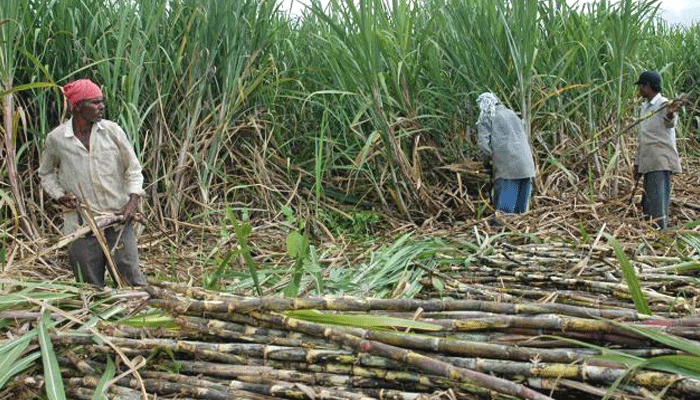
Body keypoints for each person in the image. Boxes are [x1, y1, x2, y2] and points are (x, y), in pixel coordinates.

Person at [39, 78, 147, 287]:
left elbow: (134, 169)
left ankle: (134, 316)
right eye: (95, 103)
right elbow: (46, 174)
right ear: (78, 107)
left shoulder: (112, 132)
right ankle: (97, 318)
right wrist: (61, 195)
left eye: (101, 102)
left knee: (131, 281)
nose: (101, 107)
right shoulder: (57, 139)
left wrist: (133, 200)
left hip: (117, 219)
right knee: (90, 286)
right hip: (82, 224)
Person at [633, 70, 682, 230]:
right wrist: (637, 163)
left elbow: (670, 121)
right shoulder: (645, 107)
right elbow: (643, 138)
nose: (639, 89)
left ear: (647, 86)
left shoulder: (664, 104)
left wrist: (670, 114)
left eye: (641, 86)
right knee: (648, 202)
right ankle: (651, 233)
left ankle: (660, 235)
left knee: (657, 203)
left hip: (660, 160)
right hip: (648, 161)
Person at [476, 92, 536, 218]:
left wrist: (487, 163)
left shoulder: (487, 116)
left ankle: (500, 234)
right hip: (527, 165)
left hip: (508, 168)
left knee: (504, 213)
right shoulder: (511, 113)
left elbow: (484, 146)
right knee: (521, 213)